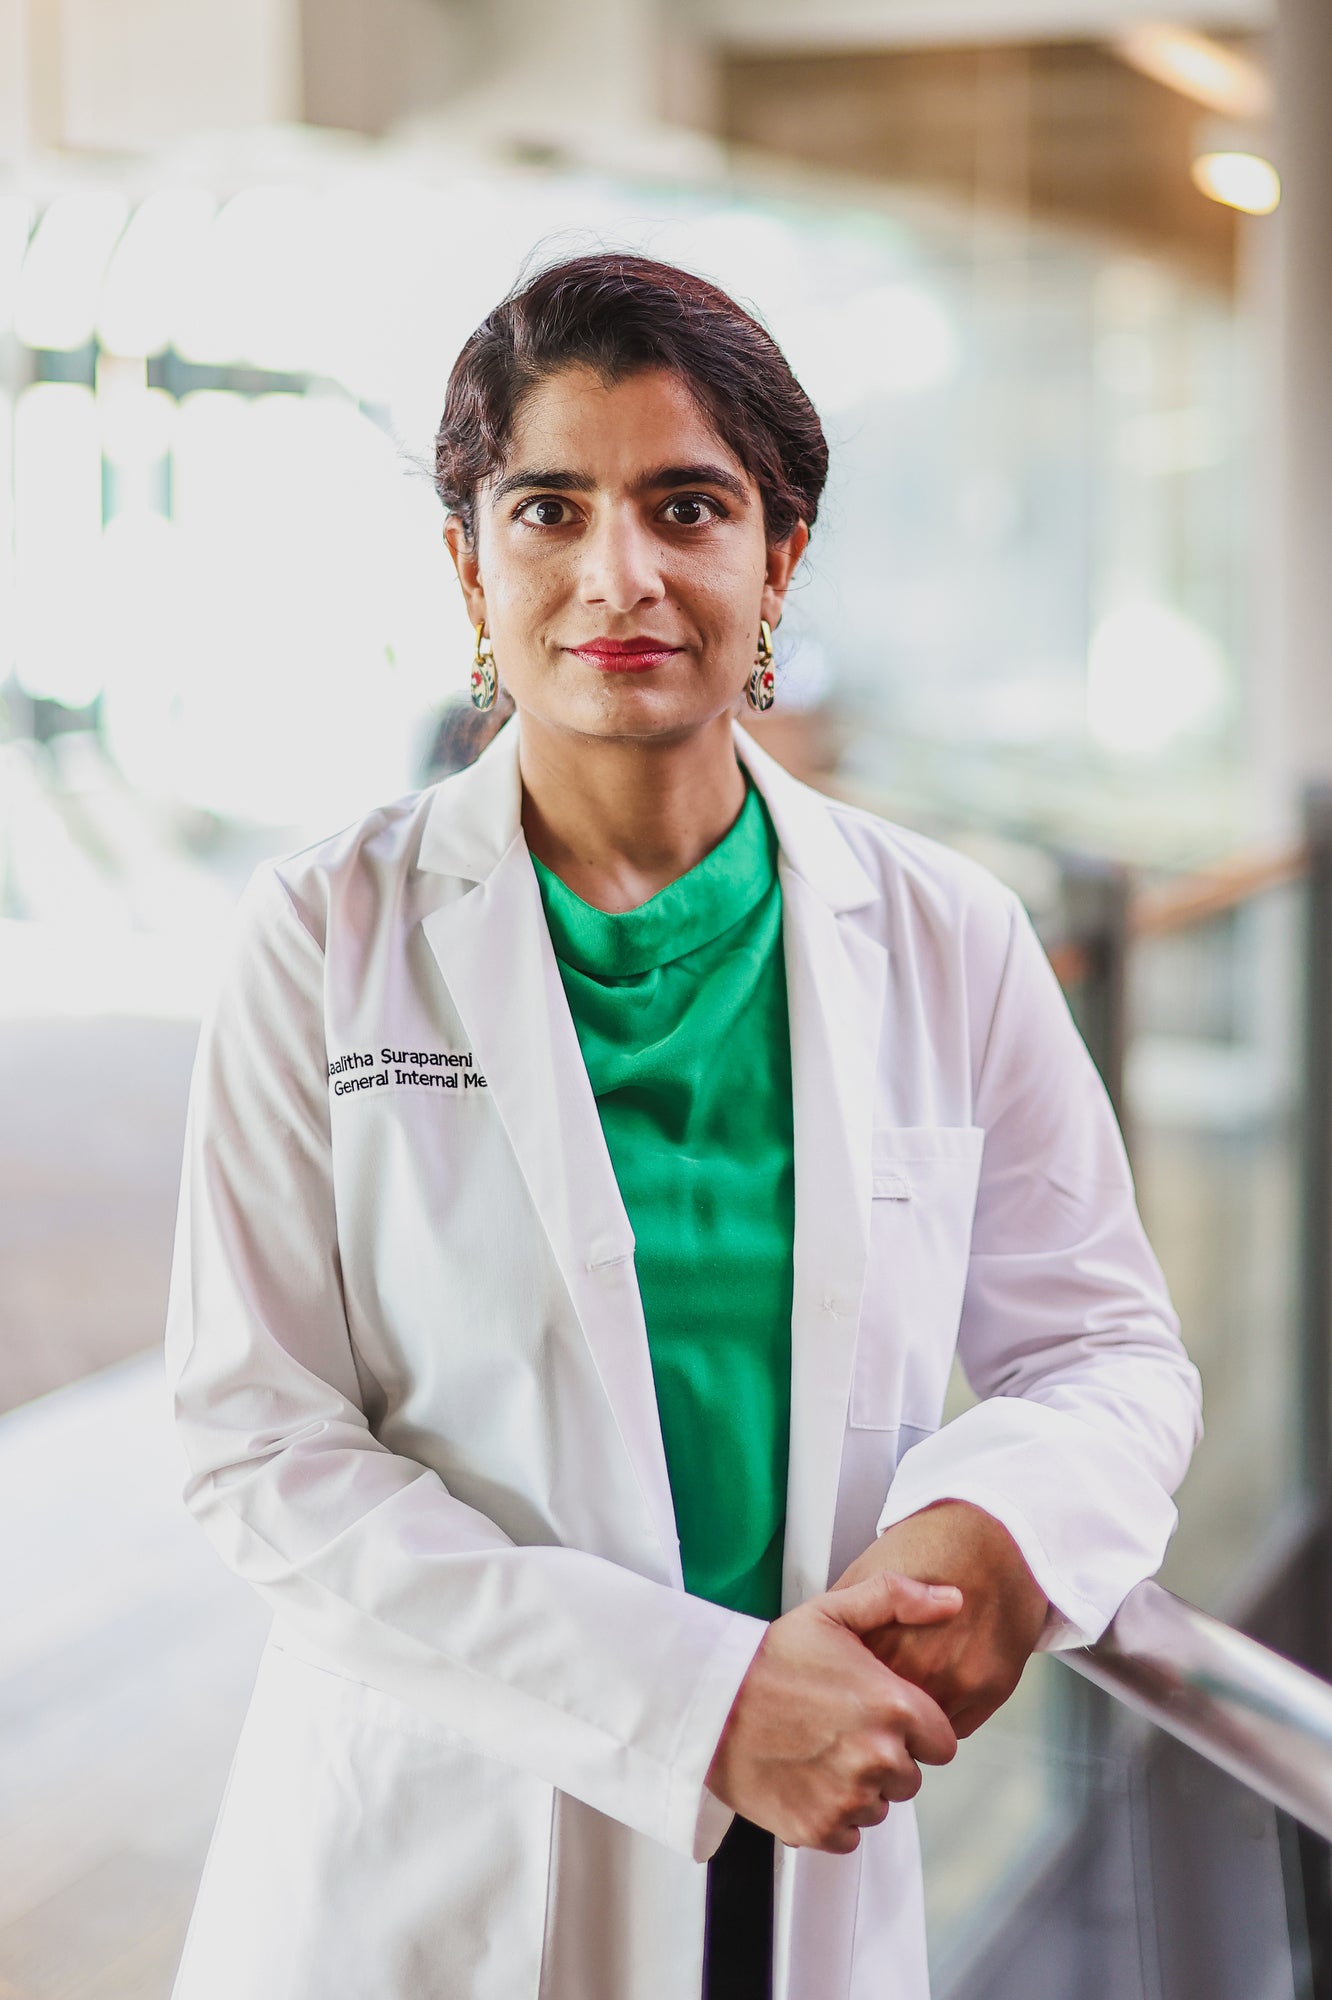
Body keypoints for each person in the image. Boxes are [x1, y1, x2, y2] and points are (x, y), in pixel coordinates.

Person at [163, 253, 1202, 2000]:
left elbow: (1105, 1347)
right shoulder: (324, 935)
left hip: (811, 1858)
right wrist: (704, 1701)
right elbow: (260, 1446)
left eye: (687, 506)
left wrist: (999, 1528)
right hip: (436, 1864)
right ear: (468, 563)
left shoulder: (946, 936)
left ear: (777, 555)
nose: (617, 576)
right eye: (550, 509)